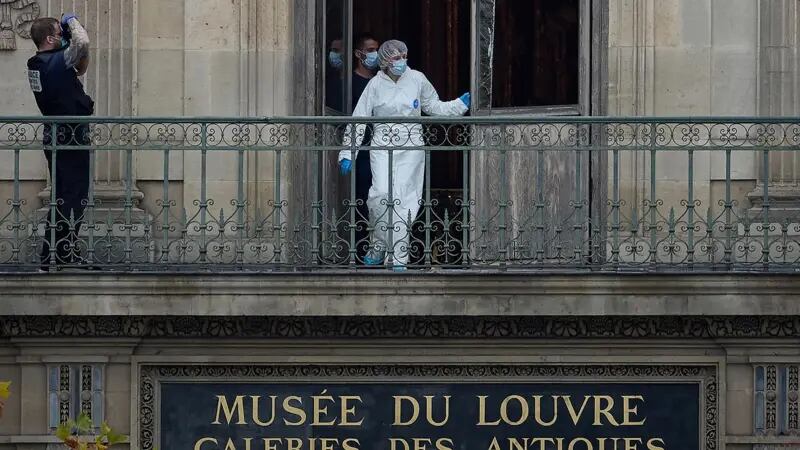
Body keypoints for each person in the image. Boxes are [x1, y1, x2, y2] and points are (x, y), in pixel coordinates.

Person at [338, 39, 470, 271]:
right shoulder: (375, 85)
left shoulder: (417, 78)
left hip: (411, 146)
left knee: (405, 201)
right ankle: (378, 244)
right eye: (396, 58)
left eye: (403, 56)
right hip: (382, 145)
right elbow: (359, 118)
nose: (401, 61)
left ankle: (398, 256)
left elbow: (434, 107)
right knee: (379, 195)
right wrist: (348, 152)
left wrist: (459, 105)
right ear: (385, 61)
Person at [27, 14, 94, 269]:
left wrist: (72, 46)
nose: (62, 35)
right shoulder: (53, 61)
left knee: (66, 196)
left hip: (58, 134)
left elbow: (81, 66)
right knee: (72, 197)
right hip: (70, 135)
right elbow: (82, 42)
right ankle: (58, 255)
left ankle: (59, 253)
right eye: (58, 32)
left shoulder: (41, 63)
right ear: (49, 38)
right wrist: (72, 22)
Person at [350, 32, 380, 262]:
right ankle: (360, 250)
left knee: (383, 199)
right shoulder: (348, 84)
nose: (375, 54)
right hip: (361, 152)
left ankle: (384, 249)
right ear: (359, 54)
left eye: (376, 49)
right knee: (362, 199)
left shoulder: (381, 81)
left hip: (381, 148)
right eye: (370, 50)